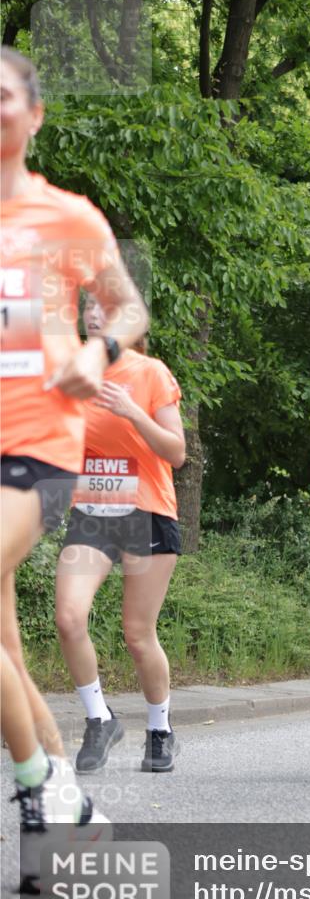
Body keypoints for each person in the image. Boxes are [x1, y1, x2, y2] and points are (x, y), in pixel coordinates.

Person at [1, 46, 147, 888]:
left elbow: (128, 301)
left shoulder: (70, 218)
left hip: (35, 446)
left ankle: (42, 792)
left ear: (34, 113)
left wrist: (101, 345)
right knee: (6, 647)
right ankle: (62, 805)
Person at [55, 297, 185, 773]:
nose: (94, 315)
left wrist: (132, 411)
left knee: (137, 633)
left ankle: (160, 729)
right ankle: (99, 720)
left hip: (145, 511)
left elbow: (176, 452)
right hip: (92, 512)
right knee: (69, 617)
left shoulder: (150, 372)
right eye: (90, 308)